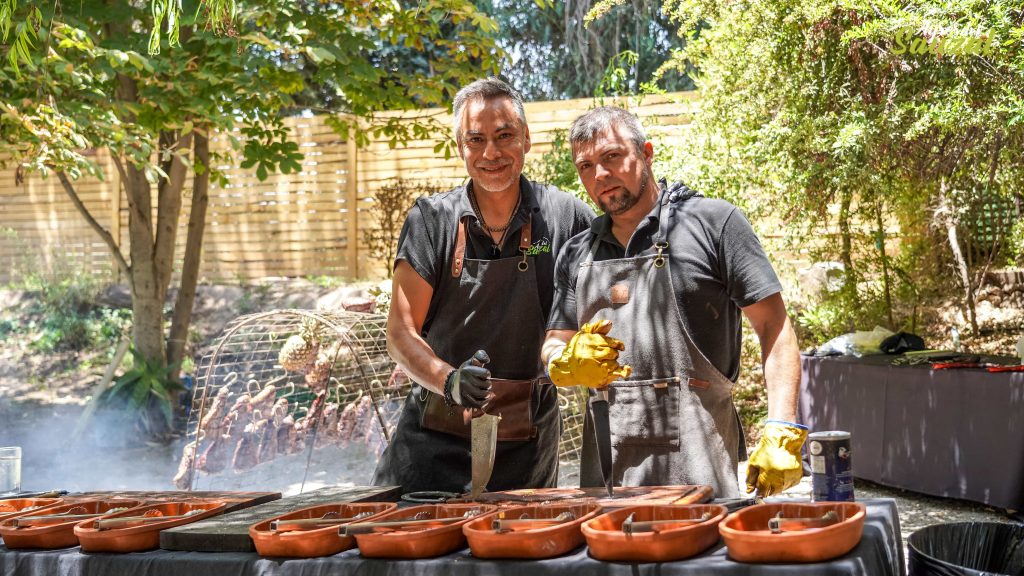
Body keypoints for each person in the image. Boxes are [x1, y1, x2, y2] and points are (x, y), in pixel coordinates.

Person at [541, 106, 805, 498]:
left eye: (612, 156)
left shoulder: (715, 224)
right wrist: (561, 362)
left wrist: (781, 426)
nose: (599, 175)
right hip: (606, 476)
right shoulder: (578, 254)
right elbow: (553, 342)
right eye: (586, 165)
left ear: (646, 153)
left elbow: (775, 328)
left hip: (701, 467)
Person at [372, 78, 595, 494]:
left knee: (518, 555)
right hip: (431, 443)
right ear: (461, 147)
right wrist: (449, 380)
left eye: (504, 136)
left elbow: (610, 302)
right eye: (476, 140)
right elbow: (400, 334)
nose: (491, 153)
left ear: (527, 139)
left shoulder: (567, 218)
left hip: (526, 446)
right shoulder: (431, 220)